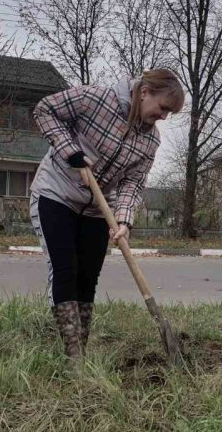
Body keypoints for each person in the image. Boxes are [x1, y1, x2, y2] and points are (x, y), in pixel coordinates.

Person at [29, 69, 184, 361]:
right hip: (57, 193)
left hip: (100, 209)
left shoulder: (150, 141)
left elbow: (133, 183)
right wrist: (70, 150)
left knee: (88, 277)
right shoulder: (98, 98)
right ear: (144, 92)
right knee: (65, 270)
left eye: (169, 113)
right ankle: (73, 355)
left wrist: (124, 220)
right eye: (163, 108)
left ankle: (80, 348)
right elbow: (45, 109)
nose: (163, 116)